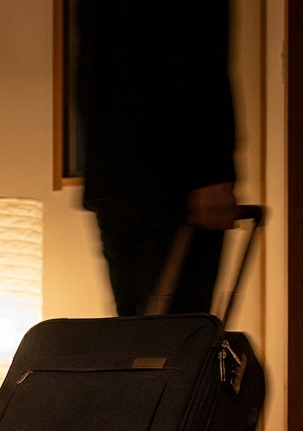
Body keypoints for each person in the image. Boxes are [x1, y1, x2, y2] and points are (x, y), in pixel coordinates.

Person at [76, 1, 239, 317]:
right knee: (176, 338)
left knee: (137, 336)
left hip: (111, 171)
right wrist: (212, 171)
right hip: (172, 175)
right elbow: (197, 53)